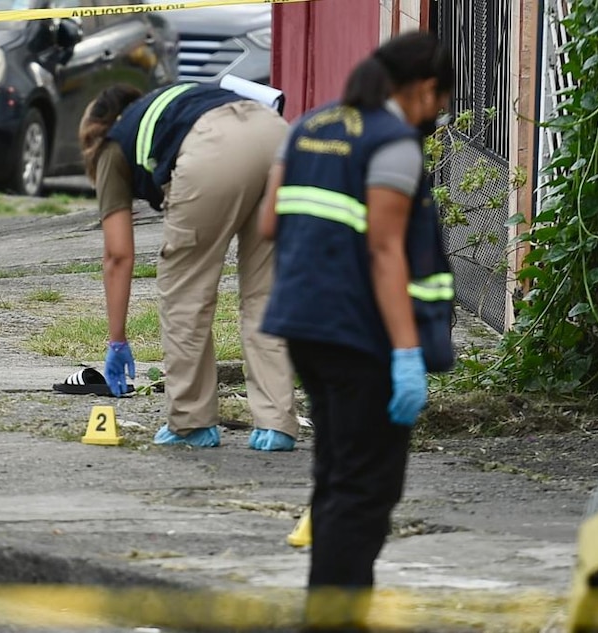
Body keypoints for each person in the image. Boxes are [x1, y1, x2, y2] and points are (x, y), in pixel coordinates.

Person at [258, 32, 456, 629]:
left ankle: (328, 611)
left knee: (335, 476)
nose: (439, 117)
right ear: (424, 90)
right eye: (441, 104)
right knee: (365, 490)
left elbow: (270, 221)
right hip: (362, 337)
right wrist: (404, 352)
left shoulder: (311, 124)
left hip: (304, 326)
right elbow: (385, 250)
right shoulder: (394, 143)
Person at [77, 81, 299, 451]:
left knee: (186, 294)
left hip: (214, 151)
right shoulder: (176, 101)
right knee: (267, 293)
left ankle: (191, 421)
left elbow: (118, 255)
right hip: (276, 134)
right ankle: (277, 424)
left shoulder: (113, 145)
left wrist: (117, 339)